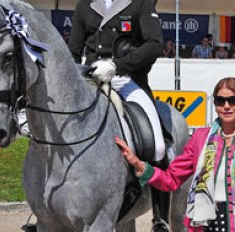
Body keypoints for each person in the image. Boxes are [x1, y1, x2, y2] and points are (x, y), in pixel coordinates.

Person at [68, 0, 168, 230]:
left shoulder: (140, 4)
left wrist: (118, 65)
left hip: (126, 79)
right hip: (90, 79)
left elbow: (154, 45)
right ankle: (45, 210)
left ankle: (159, 214)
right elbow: (73, 51)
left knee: (159, 146)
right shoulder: (85, 5)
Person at [116, 77, 235, 231]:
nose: (227, 106)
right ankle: (160, 219)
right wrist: (139, 164)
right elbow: (171, 179)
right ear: (215, 104)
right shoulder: (200, 138)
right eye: (221, 101)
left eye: (233, 101)